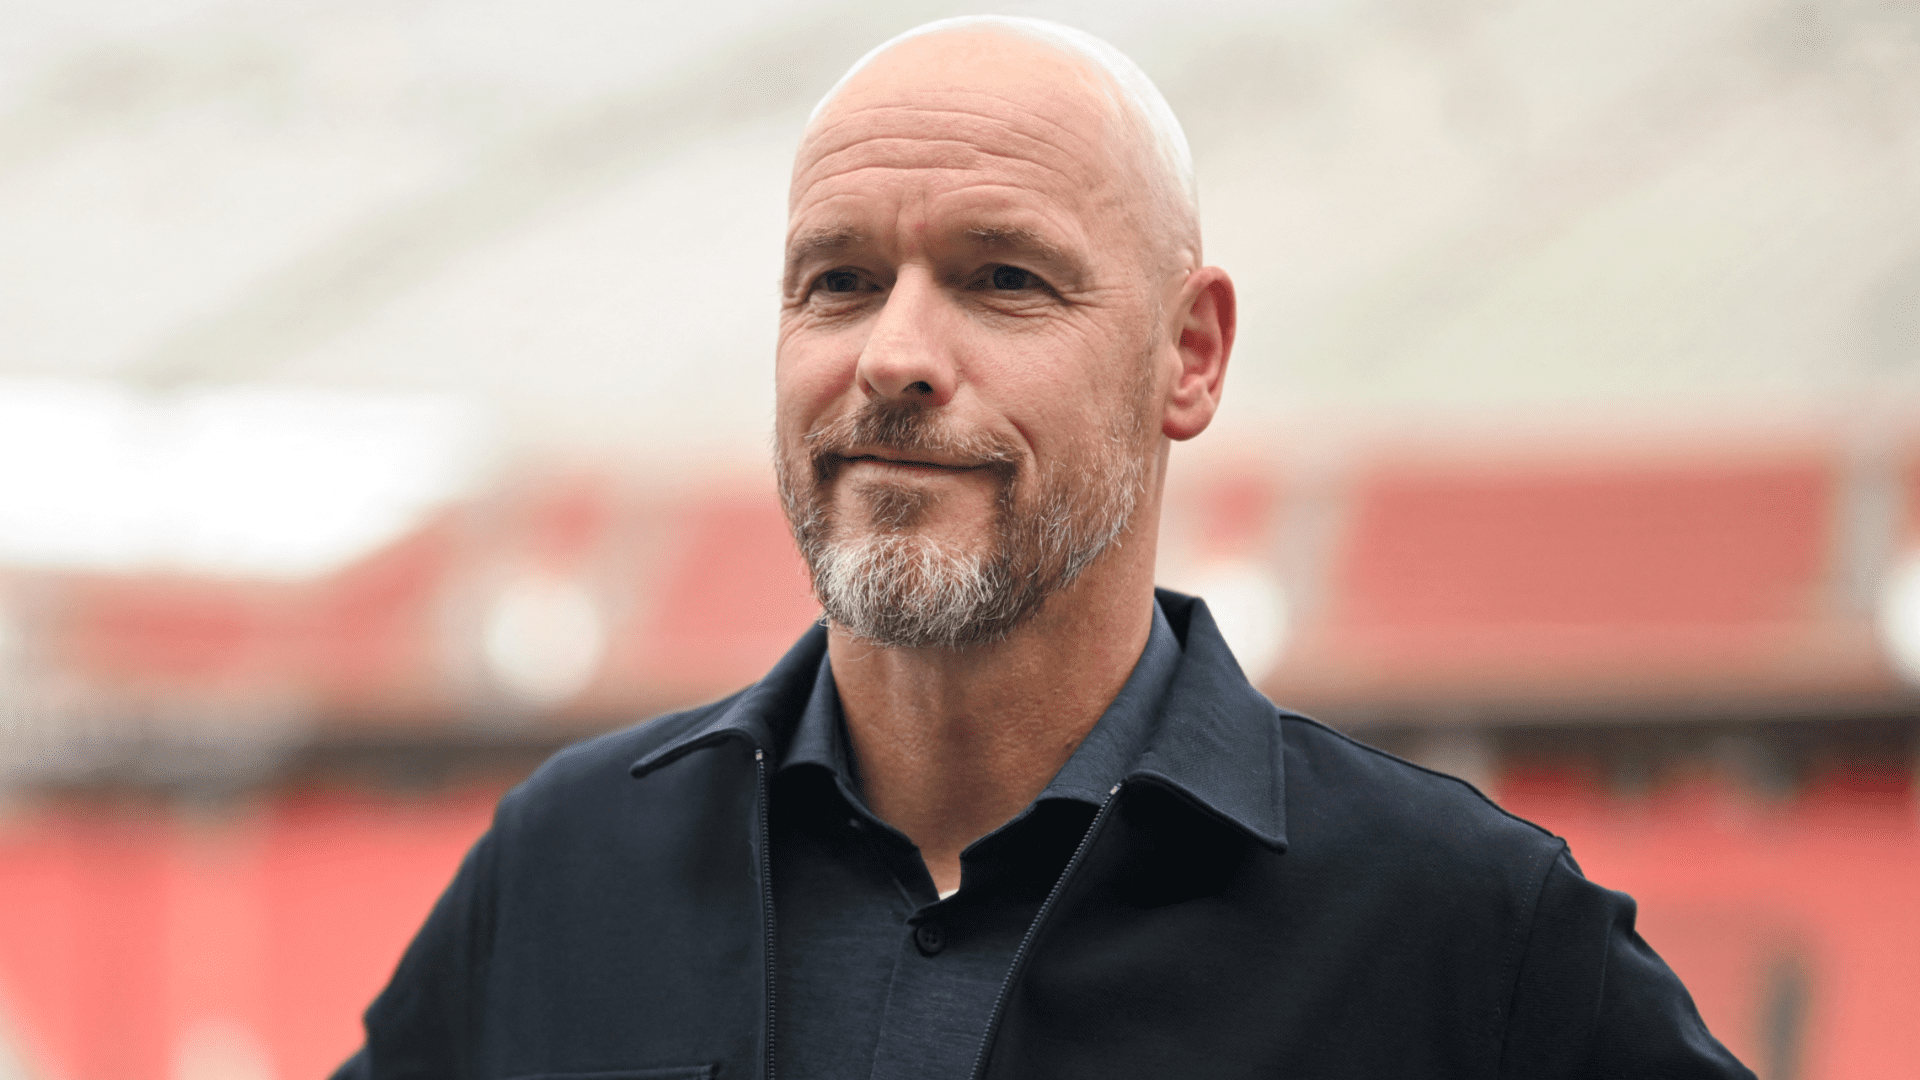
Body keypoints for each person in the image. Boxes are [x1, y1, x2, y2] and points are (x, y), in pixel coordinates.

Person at [335, 16, 1752, 1080]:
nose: (893, 355)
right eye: (840, 280)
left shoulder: (1464, 929)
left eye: (1002, 279)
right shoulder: (565, 865)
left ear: (1188, 356)